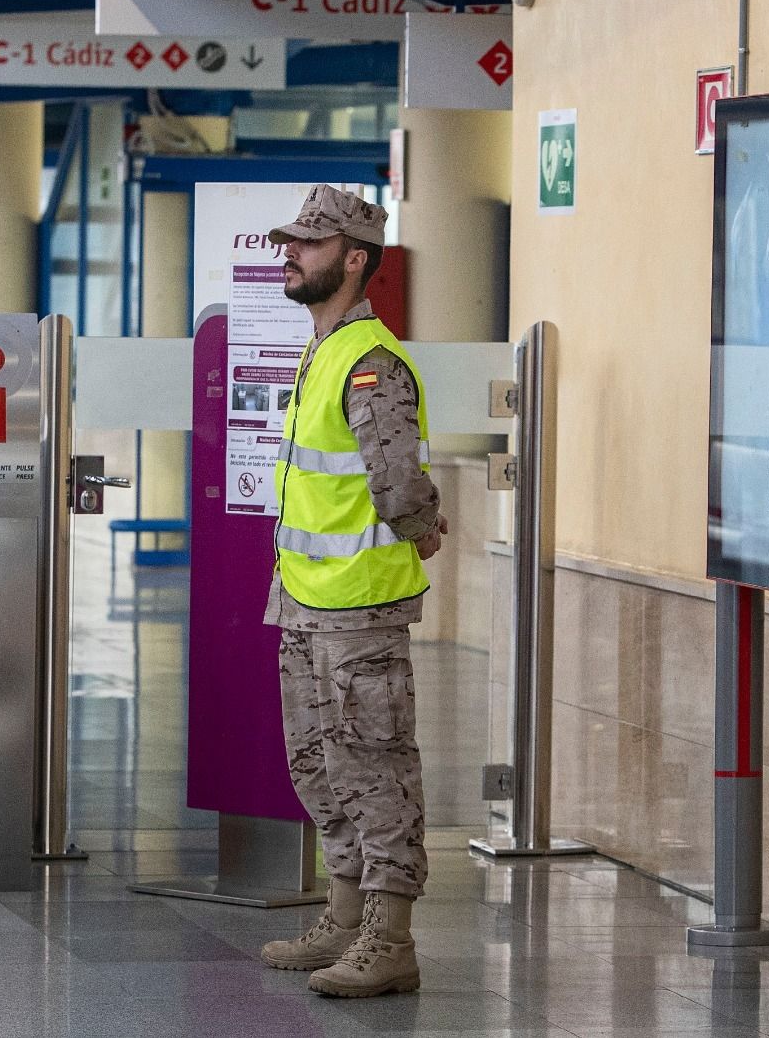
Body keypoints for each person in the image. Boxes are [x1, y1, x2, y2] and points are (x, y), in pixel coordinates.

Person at [258, 184, 447, 998]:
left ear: (356, 259)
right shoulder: (323, 350)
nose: (291, 252)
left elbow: (398, 483)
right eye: (293, 240)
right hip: (306, 598)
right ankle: (341, 919)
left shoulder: (371, 361)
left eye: (310, 242)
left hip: (358, 605)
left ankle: (390, 938)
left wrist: (422, 525)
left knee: (375, 771)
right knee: (319, 767)